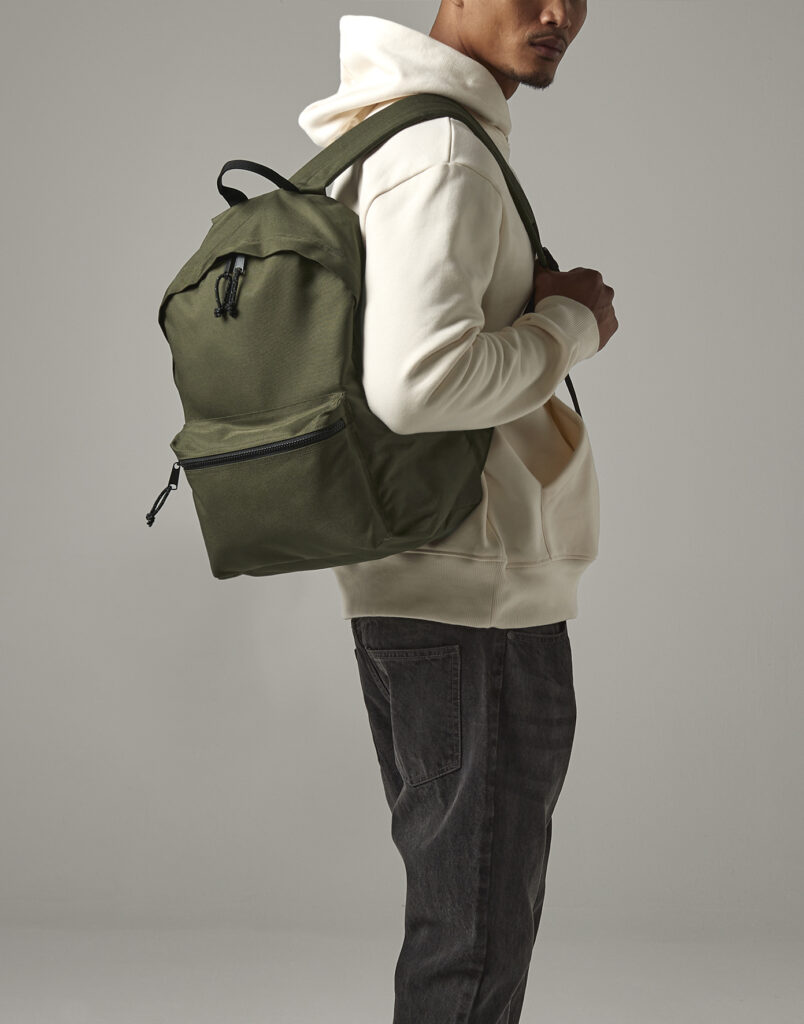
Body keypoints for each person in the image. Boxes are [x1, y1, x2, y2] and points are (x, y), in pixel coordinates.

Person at [298, 3, 617, 1021]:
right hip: (475, 597)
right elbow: (416, 385)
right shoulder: (442, 151)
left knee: (463, 925)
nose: (557, 12)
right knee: (472, 939)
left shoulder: (393, 129)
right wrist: (571, 323)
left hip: (430, 576)